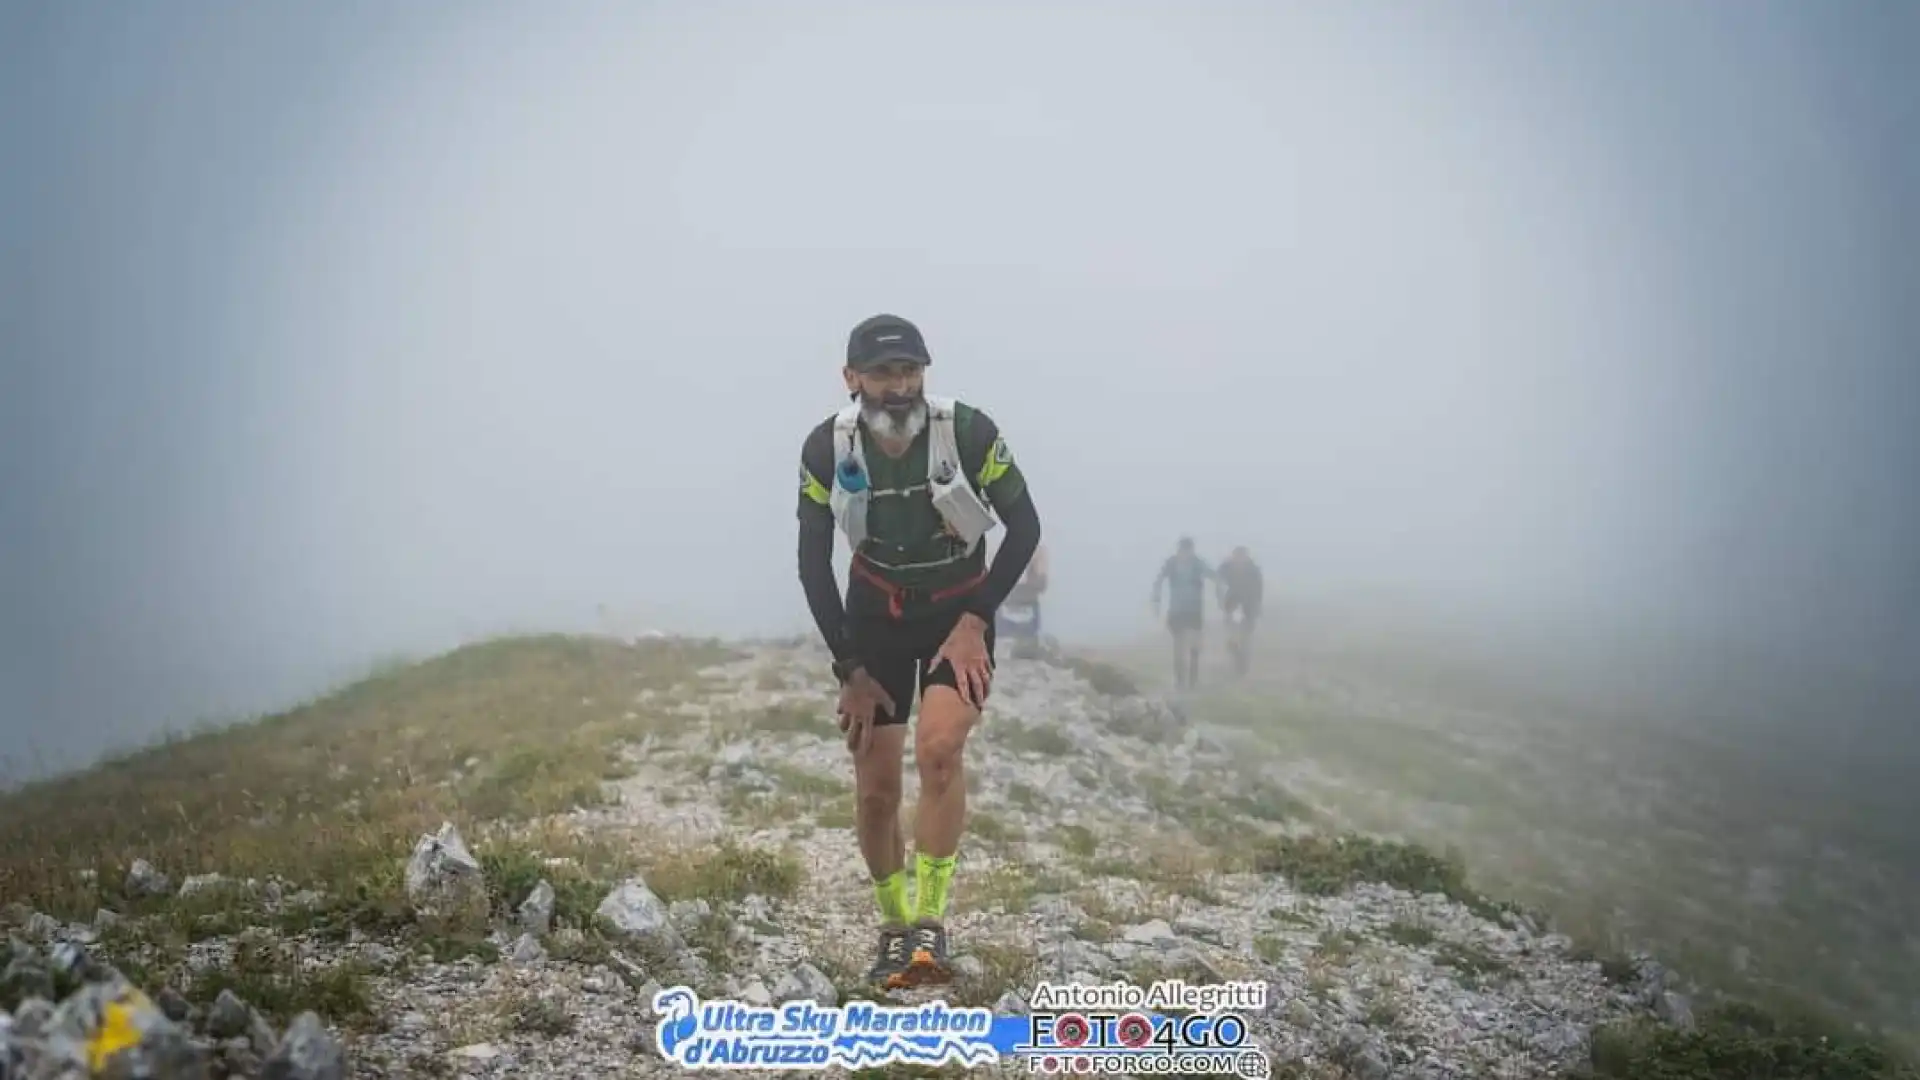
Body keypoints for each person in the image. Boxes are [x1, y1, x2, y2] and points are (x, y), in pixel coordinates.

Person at [795, 313, 1042, 989]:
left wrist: (977, 618)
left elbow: (1025, 526)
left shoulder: (967, 431)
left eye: (910, 371)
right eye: (883, 374)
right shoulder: (826, 449)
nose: (899, 386)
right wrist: (847, 667)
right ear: (852, 379)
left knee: (939, 749)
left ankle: (932, 925)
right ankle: (894, 929)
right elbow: (813, 563)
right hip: (874, 615)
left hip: (957, 612)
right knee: (876, 791)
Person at [1151, 536, 1214, 691]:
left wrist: (1221, 590)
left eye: (1188, 550)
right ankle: (1180, 680)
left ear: (1191, 550)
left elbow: (1213, 575)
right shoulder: (1171, 563)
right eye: (1183, 550)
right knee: (1179, 646)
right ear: (1179, 550)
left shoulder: (1198, 564)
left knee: (1194, 647)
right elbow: (1159, 580)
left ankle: (1193, 680)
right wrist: (1156, 599)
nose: (1185, 554)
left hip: (1194, 610)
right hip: (1177, 611)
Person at [1217, 546, 1264, 677]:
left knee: (1245, 638)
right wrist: (1220, 598)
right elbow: (1218, 581)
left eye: (1241, 558)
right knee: (1231, 639)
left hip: (1249, 607)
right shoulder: (1226, 568)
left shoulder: (1254, 571)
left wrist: (1257, 606)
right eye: (1236, 557)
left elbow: (1259, 589)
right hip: (1231, 605)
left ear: (1246, 558)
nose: (1239, 560)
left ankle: (1243, 667)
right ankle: (1238, 661)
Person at [999, 543, 1049, 657]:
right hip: (1012, 610)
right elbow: (1041, 584)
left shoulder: (1038, 552)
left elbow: (1041, 584)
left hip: (1021, 609)